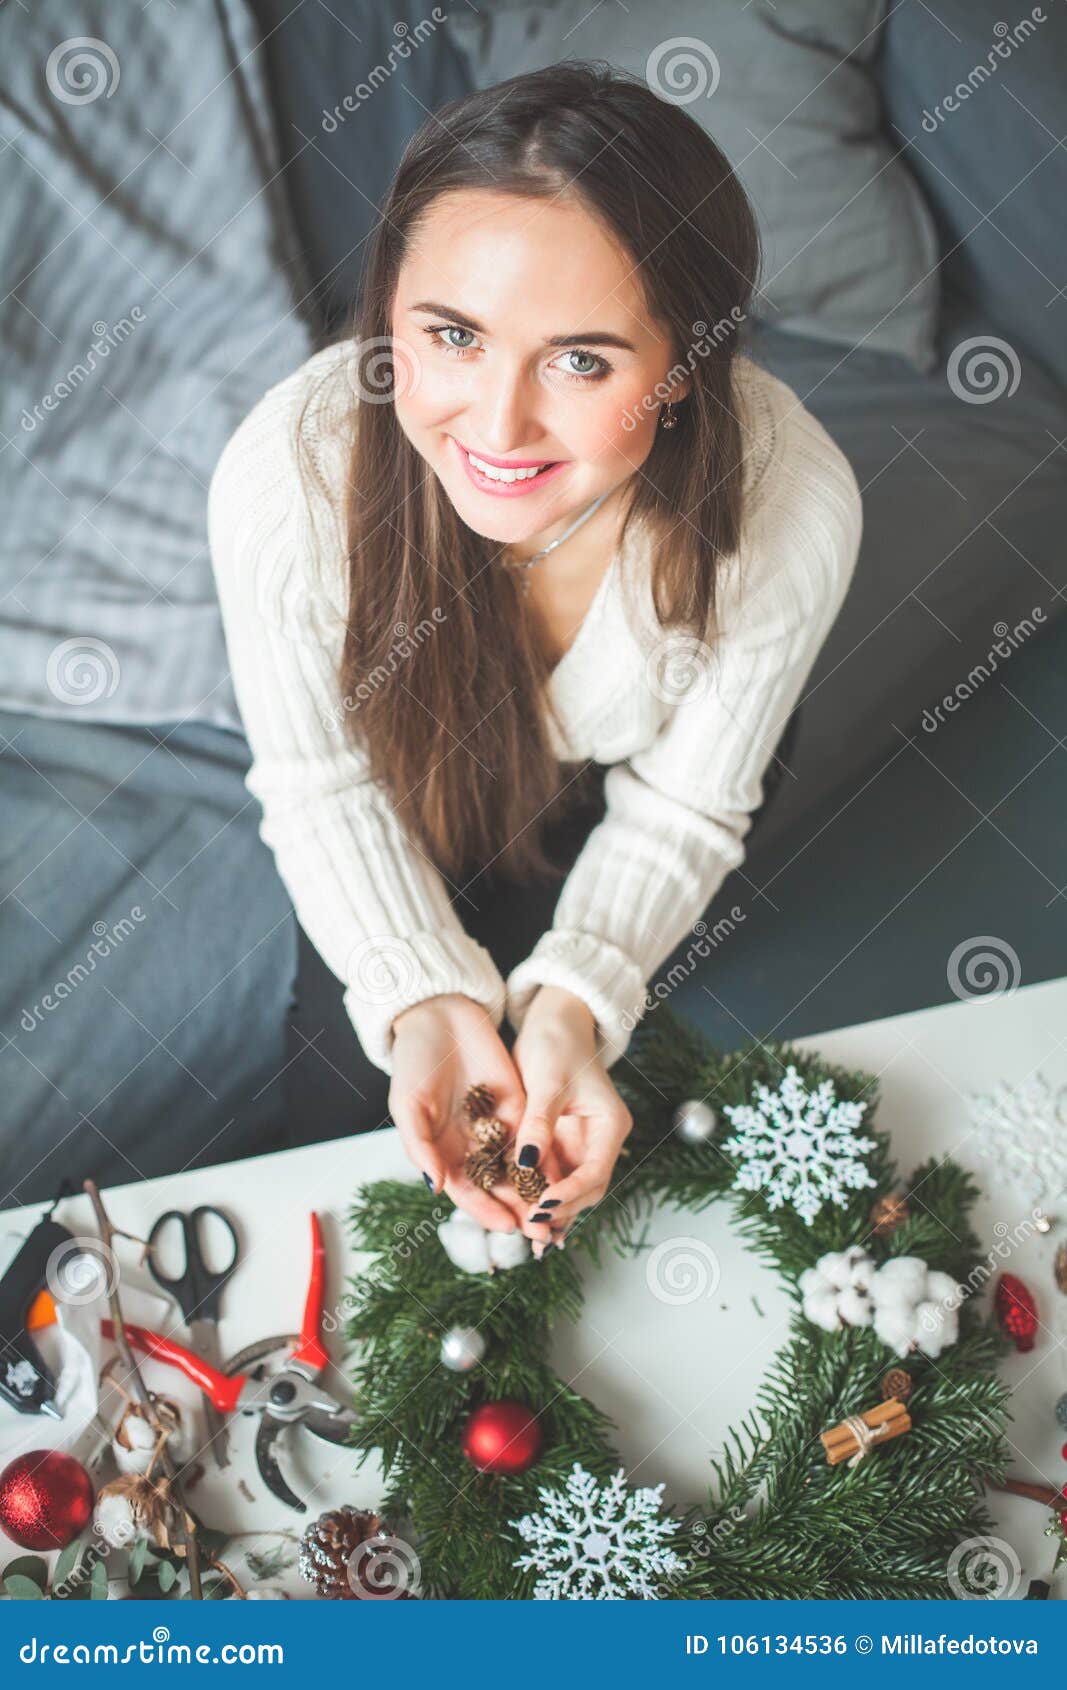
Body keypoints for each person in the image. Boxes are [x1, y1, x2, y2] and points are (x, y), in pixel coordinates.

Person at [207, 62, 862, 1258]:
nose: (495, 427)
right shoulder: (282, 487)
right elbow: (319, 784)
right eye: (451, 335)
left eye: (581, 360)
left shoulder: (794, 509)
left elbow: (684, 804)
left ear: (683, 364)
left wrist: (572, 1005)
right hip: (411, 770)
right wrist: (424, 1002)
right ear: (387, 310)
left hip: (651, 752)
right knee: (336, 1092)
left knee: (596, 1065)